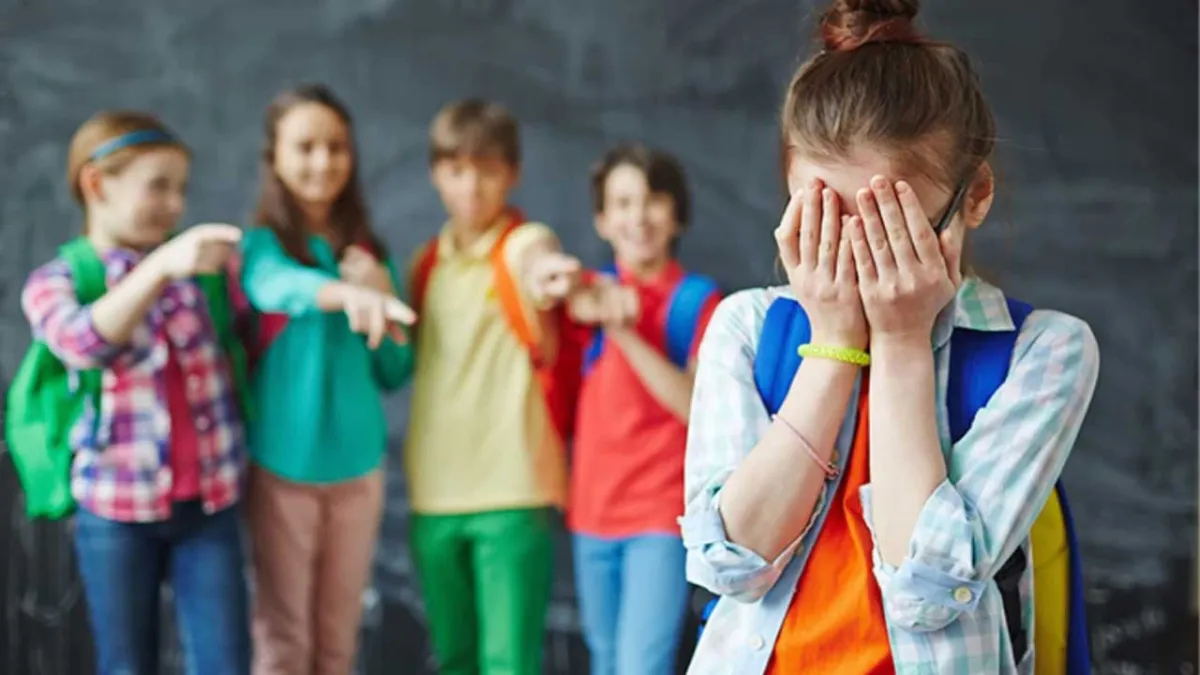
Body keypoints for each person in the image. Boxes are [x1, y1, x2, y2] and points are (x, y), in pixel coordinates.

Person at [680, 1, 1101, 673]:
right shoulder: (748, 325)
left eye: (889, 227)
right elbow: (727, 564)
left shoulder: (1045, 350)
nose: (856, 259)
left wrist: (902, 346)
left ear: (976, 194)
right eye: (824, 221)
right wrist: (834, 343)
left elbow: (928, 589)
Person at [19, 111, 252, 675]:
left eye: (181, 189)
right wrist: (159, 270)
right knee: (127, 662)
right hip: (115, 511)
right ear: (97, 184)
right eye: (158, 186)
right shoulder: (60, 281)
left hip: (210, 505)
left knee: (226, 660)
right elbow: (82, 342)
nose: (175, 205)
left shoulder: (201, 275)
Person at [403, 98, 602, 675]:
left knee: (508, 662)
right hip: (432, 493)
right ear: (437, 174)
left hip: (512, 489)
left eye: (487, 169)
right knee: (456, 658)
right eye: (457, 169)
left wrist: (549, 277)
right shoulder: (425, 264)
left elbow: (537, 264)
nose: (471, 186)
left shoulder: (522, 242)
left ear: (510, 173)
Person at [238, 84, 416, 675]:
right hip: (283, 469)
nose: (322, 162)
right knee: (284, 640)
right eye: (305, 146)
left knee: (338, 642)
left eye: (336, 146)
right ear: (276, 157)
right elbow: (275, 287)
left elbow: (395, 370)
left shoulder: (371, 254)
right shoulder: (264, 247)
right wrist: (348, 293)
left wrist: (382, 294)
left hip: (359, 472)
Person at [566, 144, 720, 675]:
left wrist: (623, 331)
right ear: (602, 220)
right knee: (605, 660)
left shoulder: (700, 302)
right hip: (591, 510)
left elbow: (693, 405)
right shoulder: (582, 294)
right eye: (623, 203)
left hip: (660, 513)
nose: (638, 217)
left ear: (676, 213)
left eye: (653, 200)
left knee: (641, 665)